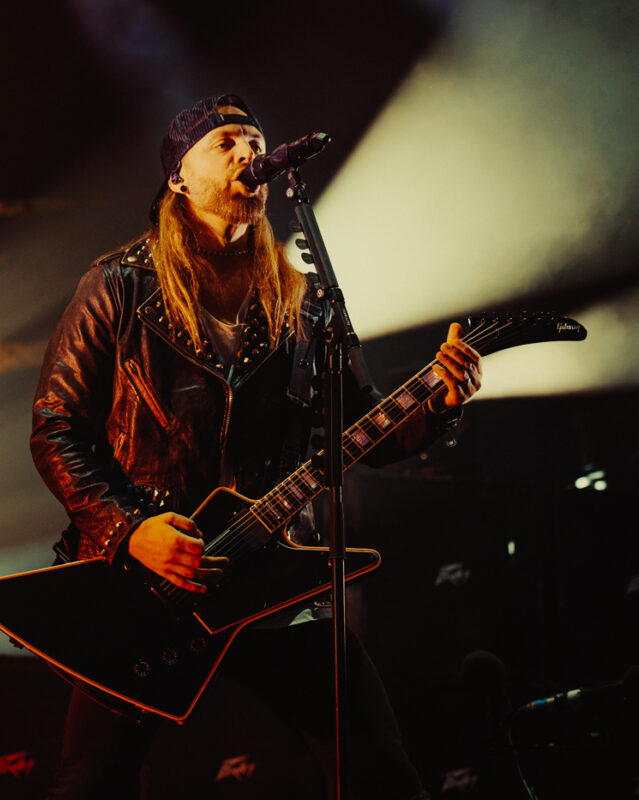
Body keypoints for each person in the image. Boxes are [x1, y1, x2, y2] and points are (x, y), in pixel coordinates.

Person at [29, 94, 482, 799]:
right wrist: (129, 532)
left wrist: (438, 406)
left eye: (256, 141)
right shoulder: (117, 285)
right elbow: (55, 427)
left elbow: (358, 428)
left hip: (273, 571)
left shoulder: (302, 300)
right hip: (149, 582)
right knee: (91, 780)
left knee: (378, 769)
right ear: (178, 177)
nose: (249, 152)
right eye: (226, 142)